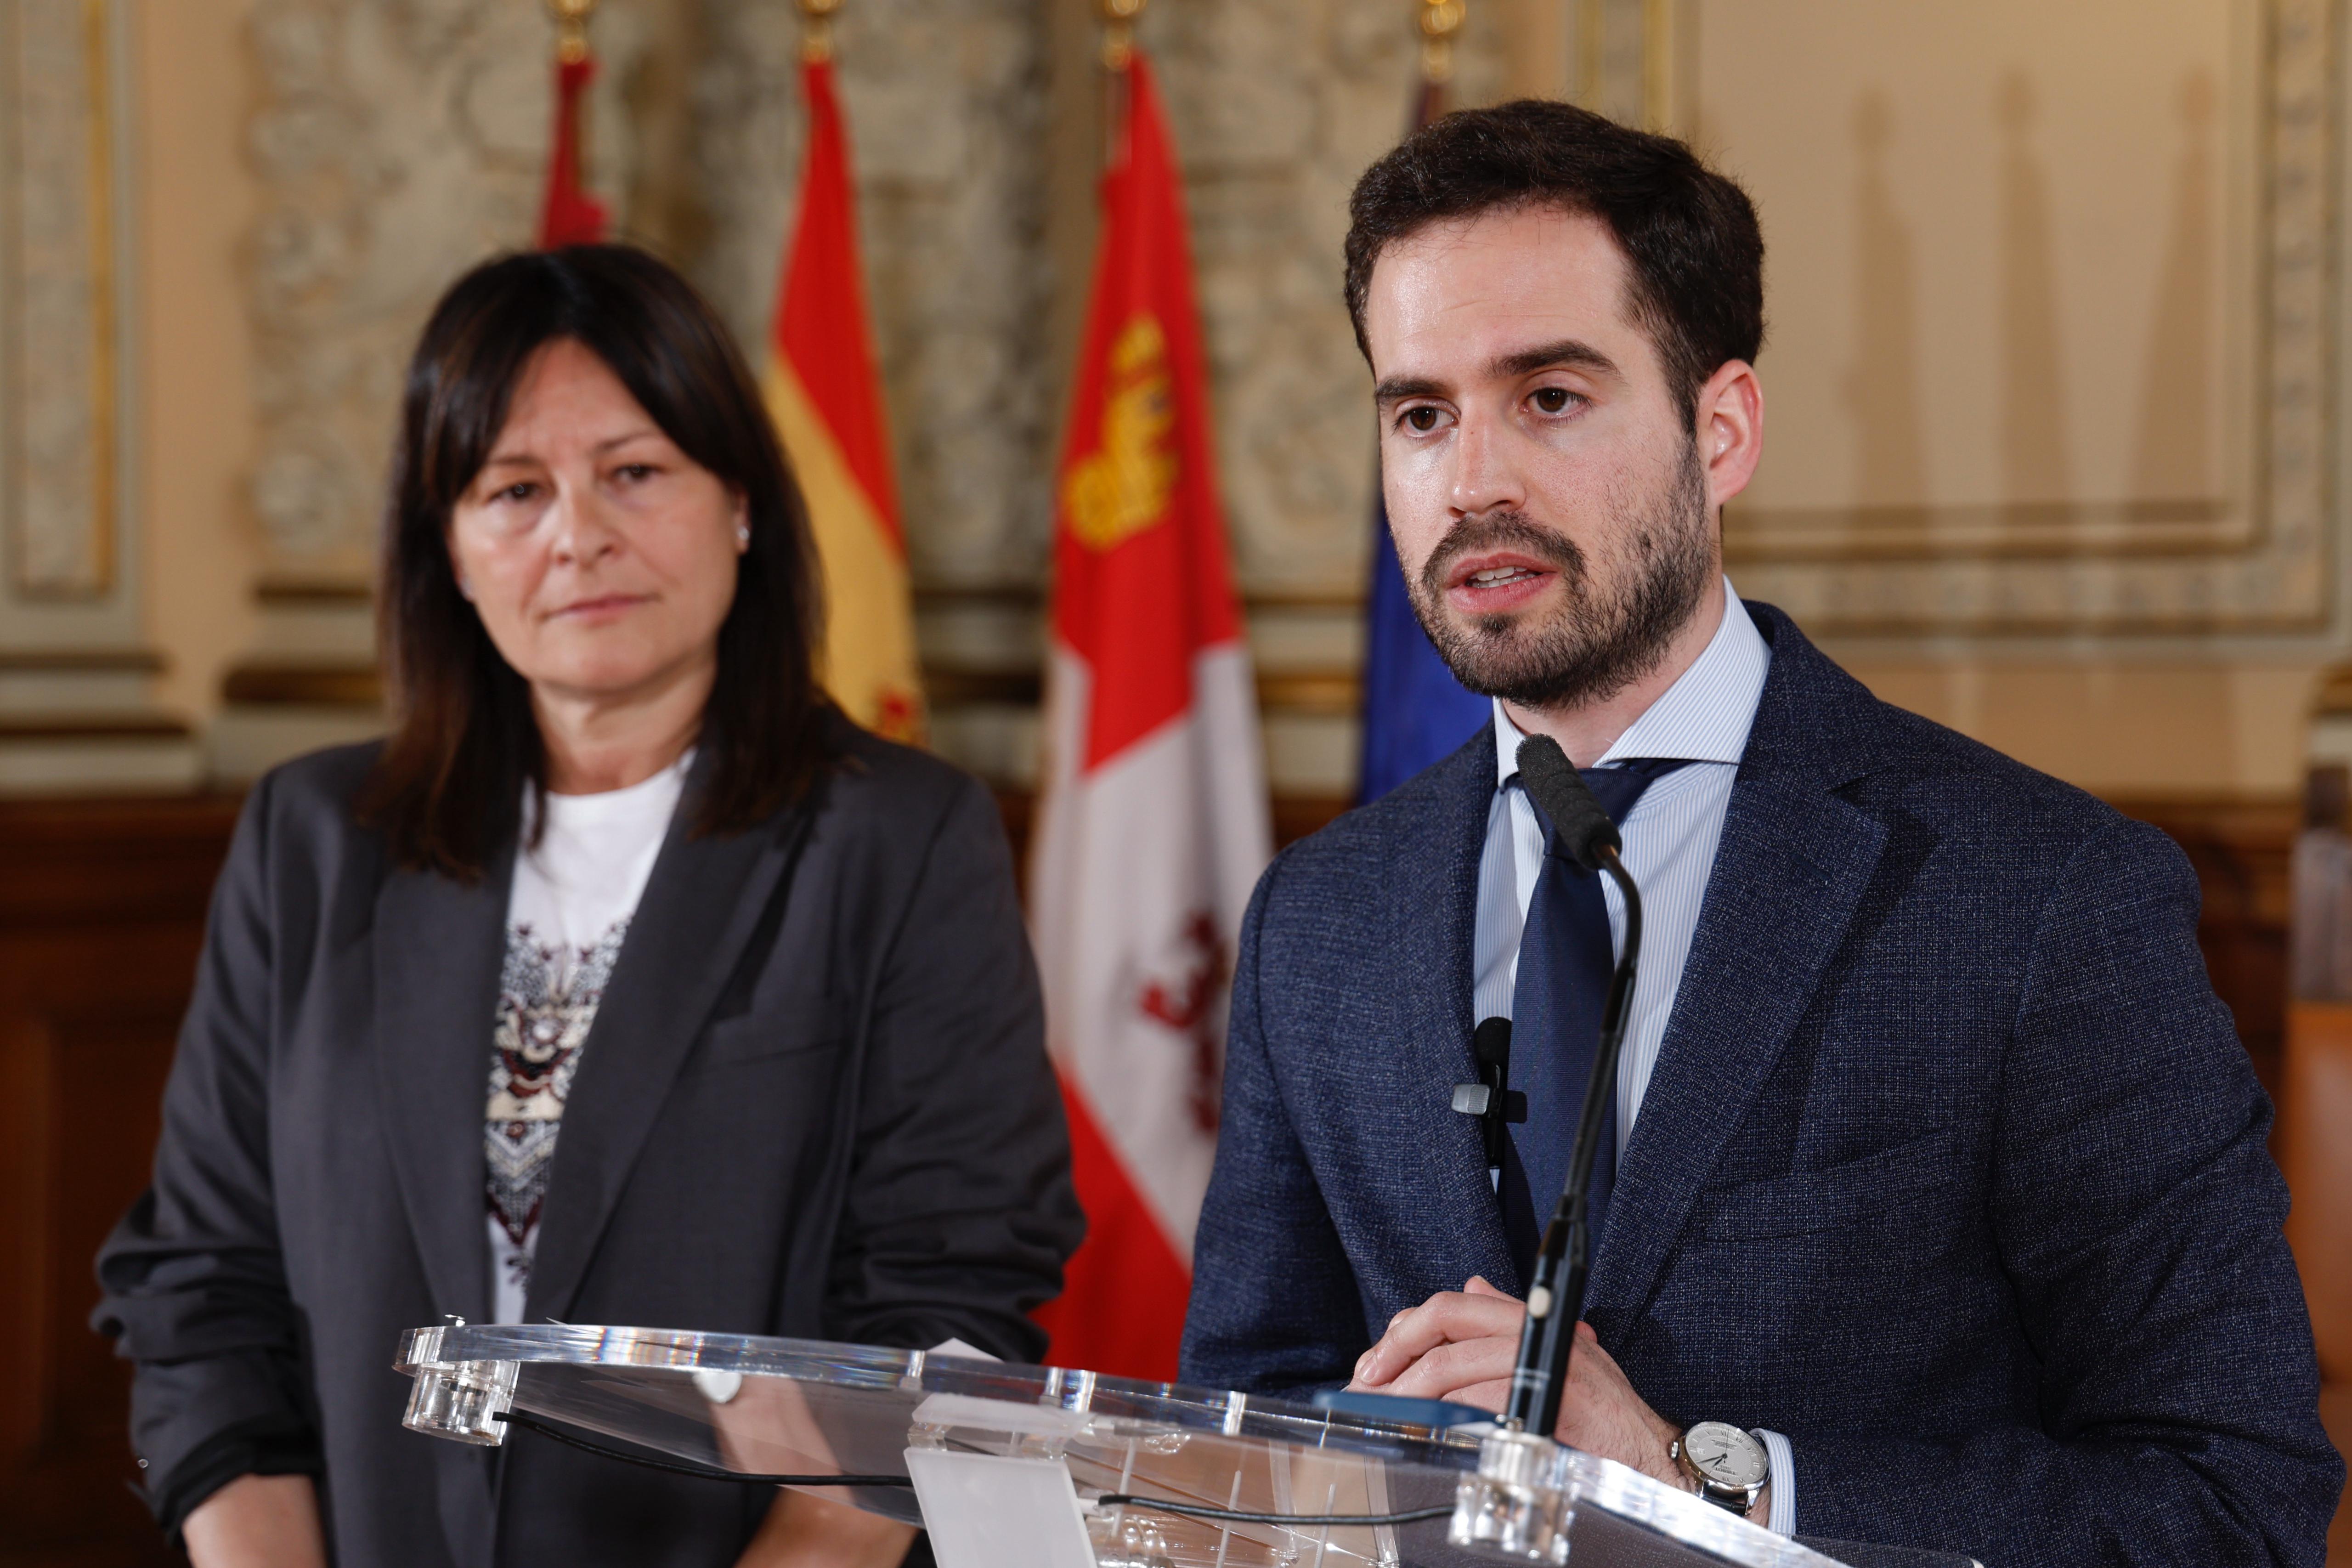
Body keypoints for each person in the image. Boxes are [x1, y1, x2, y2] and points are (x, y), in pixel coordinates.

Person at [1181, 100, 2343, 1565]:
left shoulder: (2040, 897)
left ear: (1721, 430)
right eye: (1421, 415)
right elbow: (1241, 1433)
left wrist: (1698, 1476)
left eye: (1550, 397)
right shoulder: (1322, 916)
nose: (1472, 482)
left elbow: (2233, 1506)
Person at [94, 246, 1082, 1568]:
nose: (578, 536)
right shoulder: (313, 842)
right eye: (515, 490)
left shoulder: (900, 840)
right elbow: (202, 1286)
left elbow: (948, 1304)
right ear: (448, 548)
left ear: (741, 502)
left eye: (634, 472)